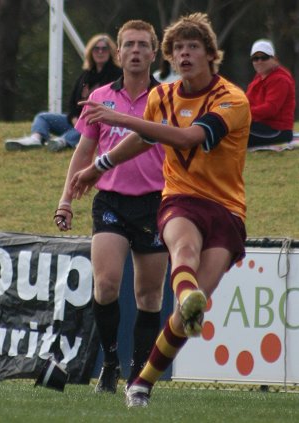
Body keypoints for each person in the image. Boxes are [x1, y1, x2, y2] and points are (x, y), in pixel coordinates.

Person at [69, 12, 251, 408]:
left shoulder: (232, 99)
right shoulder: (161, 97)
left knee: (179, 302)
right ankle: (117, 365)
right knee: (173, 254)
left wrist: (120, 118)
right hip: (176, 200)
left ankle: (143, 381)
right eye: (179, 48)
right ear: (170, 56)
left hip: (225, 210)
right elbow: (139, 140)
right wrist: (96, 168)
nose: (185, 54)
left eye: (193, 47)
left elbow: (188, 138)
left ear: (210, 55)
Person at [53, 20, 168, 394]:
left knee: (149, 296)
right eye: (128, 45)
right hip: (110, 202)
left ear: (153, 53)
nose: (135, 51)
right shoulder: (100, 97)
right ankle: (111, 363)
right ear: (118, 54)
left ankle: (139, 371)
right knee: (105, 285)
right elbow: (83, 153)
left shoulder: (167, 98)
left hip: (154, 203)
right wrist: (66, 198)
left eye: (142, 45)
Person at [5, 34, 122, 152]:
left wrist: (84, 121)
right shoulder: (86, 75)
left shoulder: (117, 75)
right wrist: (74, 118)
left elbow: (115, 104)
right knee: (43, 117)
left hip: (97, 123)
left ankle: (62, 142)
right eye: (96, 48)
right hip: (76, 121)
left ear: (111, 52)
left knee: (86, 127)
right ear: (90, 52)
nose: (100, 52)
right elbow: (72, 103)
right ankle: (36, 139)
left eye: (104, 49)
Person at [246, 39, 295, 148]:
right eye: (255, 58)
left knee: (232, 134)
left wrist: (242, 113)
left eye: (264, 57)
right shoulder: (259, 78)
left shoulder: (280, 79)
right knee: (227, 128)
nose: (259, 61)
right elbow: (246, 102)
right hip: (261, 126)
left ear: (274, 59)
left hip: (277, 131)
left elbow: (270, 109)